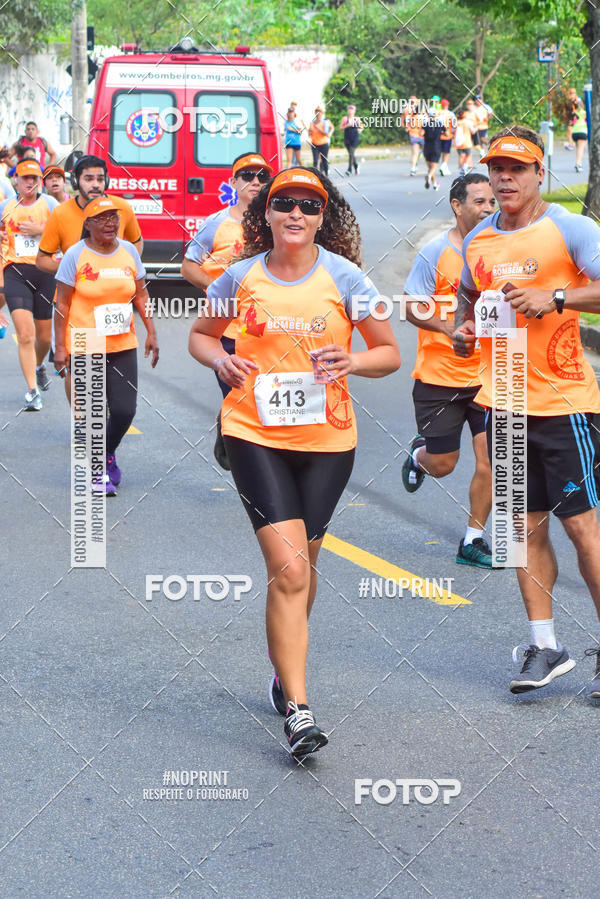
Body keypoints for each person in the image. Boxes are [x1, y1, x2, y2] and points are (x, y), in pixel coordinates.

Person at [188, 167, 401, 756]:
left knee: (304, 566)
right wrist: (220, 360)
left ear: (322, 216)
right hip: (254, 433)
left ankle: (285, 671)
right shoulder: (239, 276)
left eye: (310, 205)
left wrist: (353, 362)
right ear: (267, 212)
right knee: (289, 570)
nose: (296, 214)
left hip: (328, 442)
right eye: (285, 203)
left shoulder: (346, 277)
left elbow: (388, 353)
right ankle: (300, 713)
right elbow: (201, 335)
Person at [452, 125, 600, 696]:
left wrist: (555, 297)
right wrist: (463, 332)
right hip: (505, 403)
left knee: (582, 528)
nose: (505, 178)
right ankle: (545, 646)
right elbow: (468, 297)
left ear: (540, 173)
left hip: (565, 405)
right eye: (497, 168)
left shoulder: (570, 229)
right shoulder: (479, 240)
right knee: (521, 529)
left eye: (518, 168)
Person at [402, 173, 496, 567]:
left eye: (492, 201)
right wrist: (447, 327)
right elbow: (410, 306)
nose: (488, 208)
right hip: (439, 377)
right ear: (457, 206)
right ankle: (419, 456)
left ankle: (472, 540)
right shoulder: (435, 252)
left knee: (494, 459)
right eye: (479, 201)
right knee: (444, 465)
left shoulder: (502, 250)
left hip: (490, 377)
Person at [54, 196, 159, 495]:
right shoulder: (75, 255)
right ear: (87, 224)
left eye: (114, 217)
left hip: (122, 343)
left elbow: (141, 295)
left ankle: (106, 452)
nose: (110, 223)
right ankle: (97, 471)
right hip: (85, 341)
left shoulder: (129, 251)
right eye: (101, 218)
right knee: (93, 412)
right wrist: (60, 348)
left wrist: (152, 332)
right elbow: (62, 304)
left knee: (125, 411)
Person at [181, 152, 273, 468]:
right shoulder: (216, 224)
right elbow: (188, 266)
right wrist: (216, 289)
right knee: (240, 392)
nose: (255, 182)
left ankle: (235, 431)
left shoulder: (275, 223)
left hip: (265, 327)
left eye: (262, 176)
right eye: (247, 175)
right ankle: (237, 440)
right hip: (227, 329)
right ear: (233, 182)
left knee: (262, 395)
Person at [36, 154, 143, 401]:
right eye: (88, 178)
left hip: (114, 307)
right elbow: (41, 259)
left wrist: (122, 267)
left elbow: (137, 244)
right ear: (76, 181)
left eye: (100, 178)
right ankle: (82, 419)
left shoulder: (121, 208)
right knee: (79, 375)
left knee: (116, 372)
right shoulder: (60, 214)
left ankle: (110, 414)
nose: (95, 184)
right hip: (75, 308)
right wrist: (73, 271)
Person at [0, 159, 58, 409]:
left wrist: (40, 229)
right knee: (25, 334)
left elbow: (66, 233)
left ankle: (39, 365)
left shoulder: (50, 204)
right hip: (15, 272)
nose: (30, 182)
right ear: (16, 180)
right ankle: (33, 390)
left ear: (40, 182)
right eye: (26, 178)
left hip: (44, 272)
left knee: (43, 338)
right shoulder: (5, 206)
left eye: (35, 178)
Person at [422, 108, 445, 190]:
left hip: (427, 148)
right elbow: (446, 132)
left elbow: (421, 133)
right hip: (436, 147)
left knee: (430, 168)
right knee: (433, 167)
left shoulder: (425, 124)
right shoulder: (439, 124)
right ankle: (429, 177)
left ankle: (434, 183)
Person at [308, 106, 334, 175]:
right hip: (314, 144)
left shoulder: (325, 122)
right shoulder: (312, 123)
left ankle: (326, 175)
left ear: (322, 114)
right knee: (315, 161)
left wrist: (318, 128)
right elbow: (310, 133)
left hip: (324, 144)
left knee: (324, 160)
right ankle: (315, 175)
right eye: (317, 113)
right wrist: (309, 135)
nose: (318, 114)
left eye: (320, 113)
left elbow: (326, 133)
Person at [403, 97, 424, 176]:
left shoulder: (410, 117)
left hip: (413, 136)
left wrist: (407, 128)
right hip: (422, 137)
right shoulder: (423, 117)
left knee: (414, 153)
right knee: (421, 152)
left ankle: (413, 168)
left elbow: (407, 125)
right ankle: (418, 159)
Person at [340, 104, 363, 176]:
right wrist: (347, 125)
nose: (350, 111)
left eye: (352, 109)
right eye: (349, 109)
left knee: (351, 153)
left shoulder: (357, 118)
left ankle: (349, 169)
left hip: (355, 137)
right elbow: (340, 128)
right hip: (347, 137)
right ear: (347, 110)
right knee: (351, 153)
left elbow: (361, 126)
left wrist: (360, 130)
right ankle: (356, 165)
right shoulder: (345, 118)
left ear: (354, 111)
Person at [439, 99, 456, 176]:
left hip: (439, 135)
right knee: (447, 152)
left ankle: (444, 166)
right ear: (447, 105)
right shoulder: (450, 114)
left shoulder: (438, 113)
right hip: (448, 135)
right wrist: (453, 133)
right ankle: (444, 165)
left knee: (443, 152)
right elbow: (454, 124)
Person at [572, 99, 588, 173]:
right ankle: (578, 164)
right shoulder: (584, 112)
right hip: (582, 131)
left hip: (575, 132)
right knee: (580, 149)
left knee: (578, 148)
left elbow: (573, 122)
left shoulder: (574, 113)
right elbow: (586, 121)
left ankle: (578, 162)